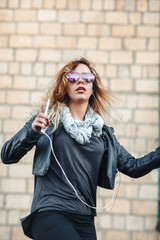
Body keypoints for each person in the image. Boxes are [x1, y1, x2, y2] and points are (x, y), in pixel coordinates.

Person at [1, 57, 160, 240]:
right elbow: (7, 155)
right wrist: (32, 133)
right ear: (64, 86)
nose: (81, 81)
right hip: (50, 212)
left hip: (85, 219)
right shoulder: (48, 121)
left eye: (87, 77)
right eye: (73, 77)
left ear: (93, 88)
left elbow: (133, 167)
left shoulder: (102, 134)